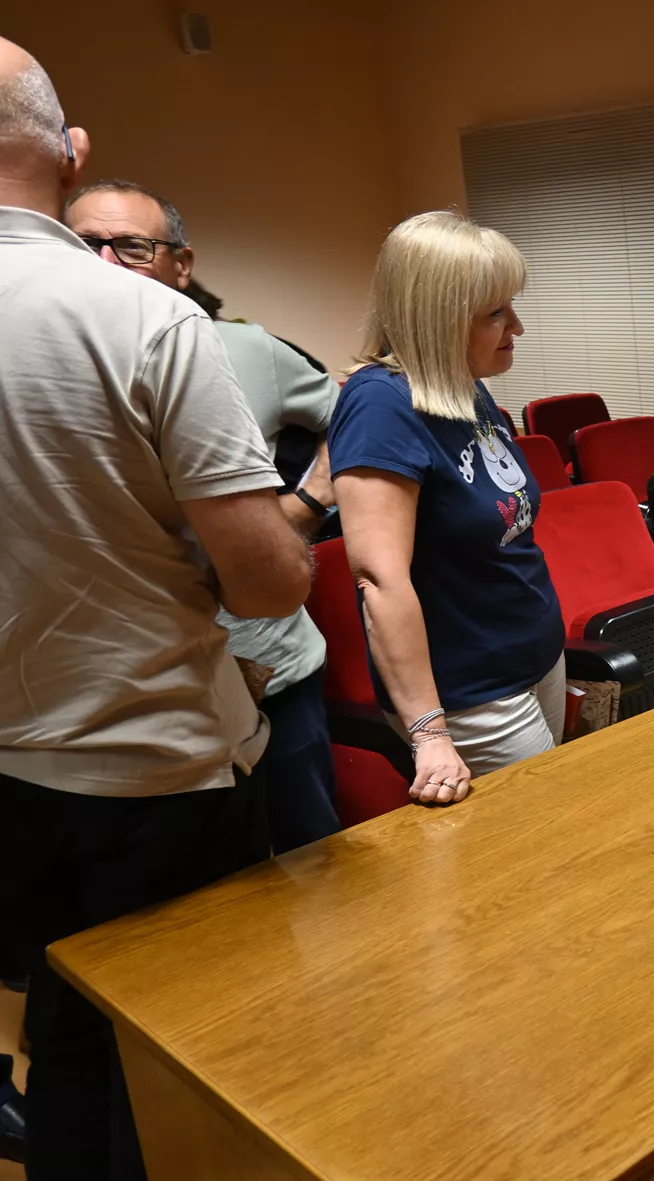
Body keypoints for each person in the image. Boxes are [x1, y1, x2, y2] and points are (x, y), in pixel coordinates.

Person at [0, 38, 310, 1178]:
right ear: (69, 152)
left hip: (10, 772)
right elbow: (266, 581)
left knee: (65, 1036)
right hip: (155, 767)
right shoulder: (141, 317)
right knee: (205, 1049)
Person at [65, 179, 344, 853]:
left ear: (181, 265)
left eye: (132, 246)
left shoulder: (245, 349)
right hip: (126, 698)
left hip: (270, 667)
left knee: (315, 872)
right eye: (83, 245)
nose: (104, 262)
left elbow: (358, 416)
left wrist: (303, 506)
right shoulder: (41, 363)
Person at [329, 211, 564, 806]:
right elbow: (379, 581)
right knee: (539, 851)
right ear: (436, 317)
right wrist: (429, 733)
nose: (517, 326)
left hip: (533, 659)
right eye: (495, 313)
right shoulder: (381, 405)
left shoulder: (464, 384)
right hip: (473, 694)